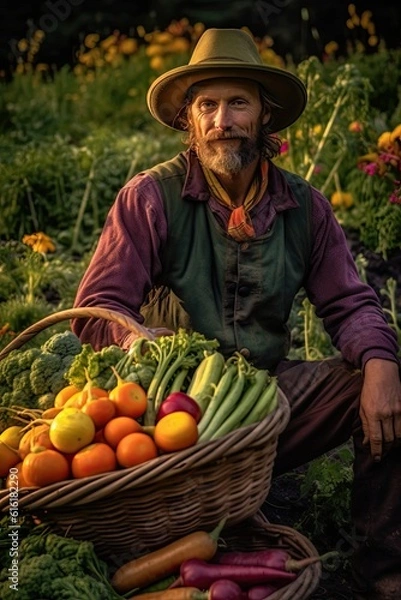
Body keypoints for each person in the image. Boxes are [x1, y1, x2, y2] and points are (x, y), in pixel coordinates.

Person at [72, 28, 401, 598]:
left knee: (386, 384)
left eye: (238, 102)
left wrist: (379, 359)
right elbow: (97, 308)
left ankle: (382, 575)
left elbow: (350, 303)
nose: (223, 118)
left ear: (263, 116)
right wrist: (135, 344)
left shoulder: (304, 207)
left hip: (267, 398)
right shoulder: (150, 198)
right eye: (208, 105)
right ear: (190, 122)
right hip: (170, 417)